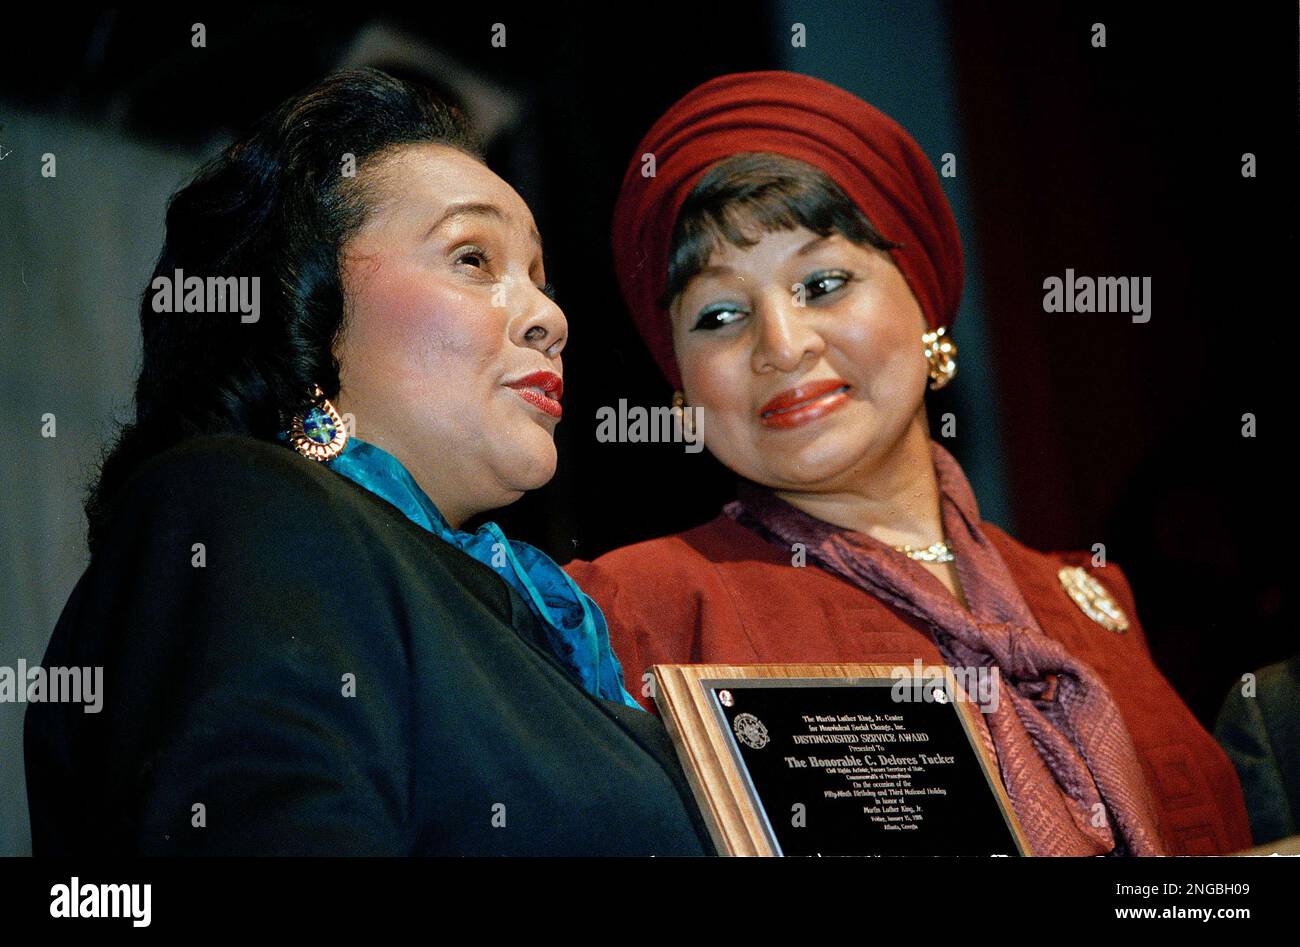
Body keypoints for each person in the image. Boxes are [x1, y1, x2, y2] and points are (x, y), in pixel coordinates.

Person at [24, 68, 712, 856]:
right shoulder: (239, 504)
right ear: (307, 309)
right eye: (473, 259)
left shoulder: (541, 616)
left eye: (540, 279)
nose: (549, 317)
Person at [565, 70, 1252, 856]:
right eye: (721, 314)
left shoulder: (1088, 596)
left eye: (822, 283)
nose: (783, 345)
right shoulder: (635, 606)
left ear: (925, 304)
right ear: (681, 384)